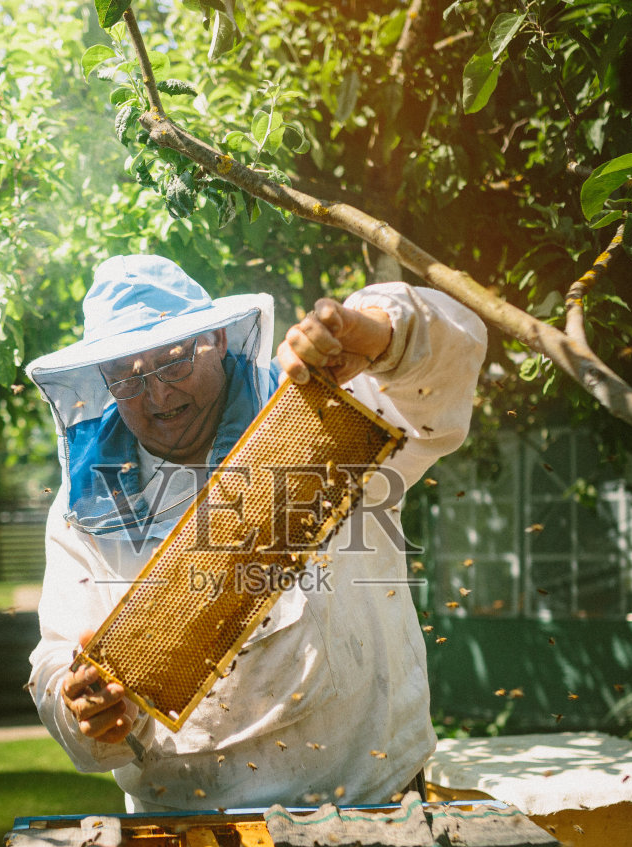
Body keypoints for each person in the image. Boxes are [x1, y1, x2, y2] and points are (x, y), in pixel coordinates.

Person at [25, 254, 486, 812]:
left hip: (368, 804)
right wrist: (79, 707)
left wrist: (385, 334)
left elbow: (448, 360)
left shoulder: (318, 406)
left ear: (217, 339)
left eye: (173, 362)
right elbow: (58, 658)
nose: (159, 396)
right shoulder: (88, 505)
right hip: (185, 822)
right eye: (127, 375)